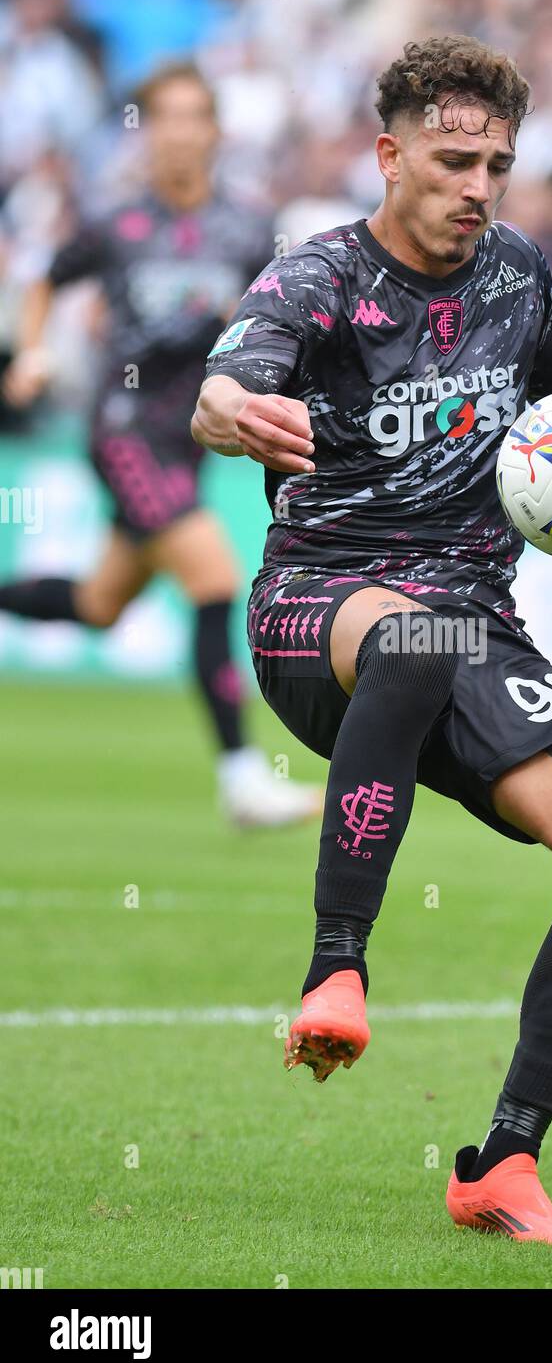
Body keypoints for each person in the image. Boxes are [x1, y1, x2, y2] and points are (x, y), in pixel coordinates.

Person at [192, 35, 552, 1247]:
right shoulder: (312, 278)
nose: (477, 186)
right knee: (407, 638)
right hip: (320, 608)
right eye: (454, 161)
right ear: (388, 152)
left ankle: (504, 1163)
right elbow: (218, 388)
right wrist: (238, 414)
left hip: (475, 624)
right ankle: (335, 968)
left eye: (496, 164)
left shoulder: (516, 272)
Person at [0, 62, 321, 827]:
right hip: (123, 431)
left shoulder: (247, 230)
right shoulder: (115, 225)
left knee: (99, 603)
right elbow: (47, 277)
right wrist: (34, 350)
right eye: (163, 116)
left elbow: (282, 316)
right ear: (147, 131)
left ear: (214, 130)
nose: (179, 132)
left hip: (187, 445)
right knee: (214, 579)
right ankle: (243, 777)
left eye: (193, 116)